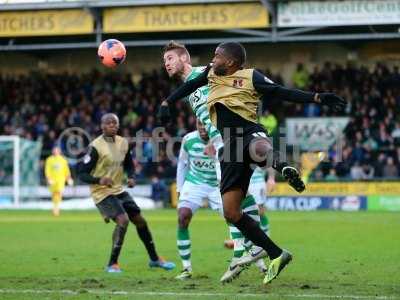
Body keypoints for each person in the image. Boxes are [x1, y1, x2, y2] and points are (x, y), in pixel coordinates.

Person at [160, 42, 346, 284]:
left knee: (257, 146)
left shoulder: (246, 75)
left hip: (245, 132)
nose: (213, 59)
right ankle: (274, 253)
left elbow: (281, 91)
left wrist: (318, 97)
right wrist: (166, 103)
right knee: (231, 211)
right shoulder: (208, 76)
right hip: (224, 146)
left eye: (171, 58)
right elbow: (191, 87)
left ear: (229, 61)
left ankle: (281, 167)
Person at [163, 41, 266, 282]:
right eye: (164, 60)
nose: (166, 63)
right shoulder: (189, 88)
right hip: (221, 142)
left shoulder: (204, 72)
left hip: (231, 139)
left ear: (184, 58)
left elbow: (231, 76)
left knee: (232, 202)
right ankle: (250, 249)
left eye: (170, 58)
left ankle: (248, 250)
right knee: (235, 199)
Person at [77, 113, 175, 273]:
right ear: (102, 126)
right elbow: (82, 174)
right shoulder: (95, 147)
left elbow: (129, 165)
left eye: (115, 123)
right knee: (123, 220)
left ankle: (155, 259)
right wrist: (99, 180)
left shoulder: (123, 143)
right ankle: (112, 264)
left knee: (140, 221)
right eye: (109, 123)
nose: (113, 126)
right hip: (101, 192)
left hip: (118, 190)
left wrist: (131, 177)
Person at [44, 146, 73, 216]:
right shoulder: (49, 160)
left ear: (59, 151)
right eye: (54, 150)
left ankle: (56, 208)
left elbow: (66, 170)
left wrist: (69, 178)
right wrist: (48, 178)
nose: (55, 152)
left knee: (58, 192)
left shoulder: (63, 160)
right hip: (52, 179)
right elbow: (47, 170)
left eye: (57, 150)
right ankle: (56, 207)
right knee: (54, 194)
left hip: (61, 180)